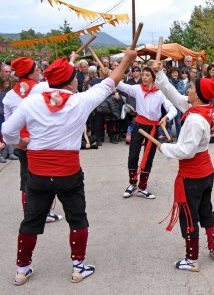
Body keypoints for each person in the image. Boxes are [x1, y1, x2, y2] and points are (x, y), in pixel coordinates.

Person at [2, 48, 137, 285]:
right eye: (75, 77)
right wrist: (127, 59)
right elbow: (109, 82)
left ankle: (21, 270)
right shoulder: (80, 101)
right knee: (77, 218)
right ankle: (78, 267)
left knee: (31, 220)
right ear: (70, 82)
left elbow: (7, 131)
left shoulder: (31, 101)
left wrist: (21, 143)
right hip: (68, 172)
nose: (77, 80)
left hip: (38, 173)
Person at [153, 60, 214, 272]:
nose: (188, 89)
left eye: (192, 88)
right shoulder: (204, 108)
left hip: (193, 175)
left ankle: (192, 259)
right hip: (205, 171)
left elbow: (186, 151)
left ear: (198, 94)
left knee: (190, 215)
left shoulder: (195, 120)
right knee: (205, 210)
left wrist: (165, 148)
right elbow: (174, 95)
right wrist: (160, 74)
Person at [2, 57, 64, 222]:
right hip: (43, 142)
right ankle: (42, 214)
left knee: (27, 179)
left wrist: (18, 142)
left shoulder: (9, 96)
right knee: (47, 178)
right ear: (30, 73)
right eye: (36, 69)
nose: (39, 71)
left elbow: (8, 126)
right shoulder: (42, 88)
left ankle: (30, 215)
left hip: (24, 145)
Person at [117, 67, 177, 199]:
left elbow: (172, 109)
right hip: (139, 126)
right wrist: (113, 72)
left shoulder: (159, 93)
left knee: (148, 157)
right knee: (133, 156)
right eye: (142, 75)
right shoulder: (137, 89)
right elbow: (119, 84)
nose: (144, 77)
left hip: (153, 128)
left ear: (152, 78)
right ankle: (132, 184)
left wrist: (166, 117)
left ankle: (142, 187)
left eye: (147, 75)